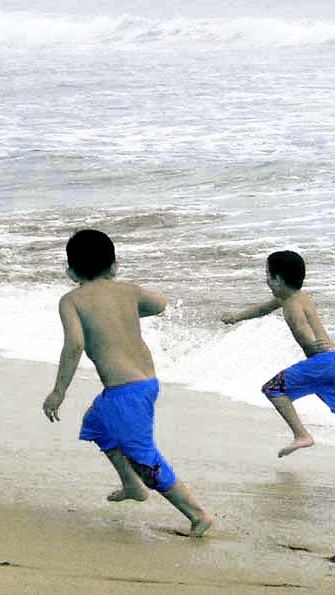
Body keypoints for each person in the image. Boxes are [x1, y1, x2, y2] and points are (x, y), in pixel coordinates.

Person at [43, 229, 213, 536]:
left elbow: (74, 345)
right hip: (142, 384)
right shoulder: (128, 291)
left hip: (125, 392)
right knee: (96, 423)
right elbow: (160, 304)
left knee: (145, 460)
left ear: (70, 272)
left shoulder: (71, 301)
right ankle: (131, 485)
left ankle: (197, 514)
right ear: (114, 265)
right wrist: (125, 311)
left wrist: (58, 391)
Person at [221, 250, 335, 479]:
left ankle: (302, 435)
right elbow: (262, 309)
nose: (265, 279)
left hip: (322, 362)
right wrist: (237, 317)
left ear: (277, 279)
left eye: (267, 274)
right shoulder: (295, 297)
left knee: (273, 389)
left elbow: (304, 333)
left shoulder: (292, 306)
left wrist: (313, 346)